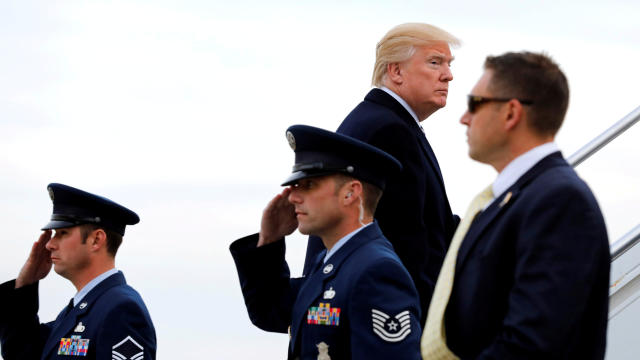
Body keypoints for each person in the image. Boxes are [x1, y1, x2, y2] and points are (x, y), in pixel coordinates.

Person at [421, 52, 610, 359]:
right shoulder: (514, 199)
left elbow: (531, 345)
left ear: (511, 113)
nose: (463, 117)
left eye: (474, 104)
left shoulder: (559, 202)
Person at [302, 23, 461, 323]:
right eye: (435, 62)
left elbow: (433, 227)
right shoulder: (389, 130)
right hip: (383, 326)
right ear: (396, 72)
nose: (448, 75)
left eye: (449, 64)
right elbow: (411, 250)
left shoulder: (386, 122)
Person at [230, 125, 422, 359]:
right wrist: (269, 241)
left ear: (350, 193)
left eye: (308, 185)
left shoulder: (376, 271)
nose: (292, 196)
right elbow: (271, 310)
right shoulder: (330, 262)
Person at [0, 183, 156, 360]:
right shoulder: (81, 310)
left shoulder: (121, 309)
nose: (49, 244)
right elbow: (21, 353)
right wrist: (24, 284)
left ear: (96, 240)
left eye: (63, 233)